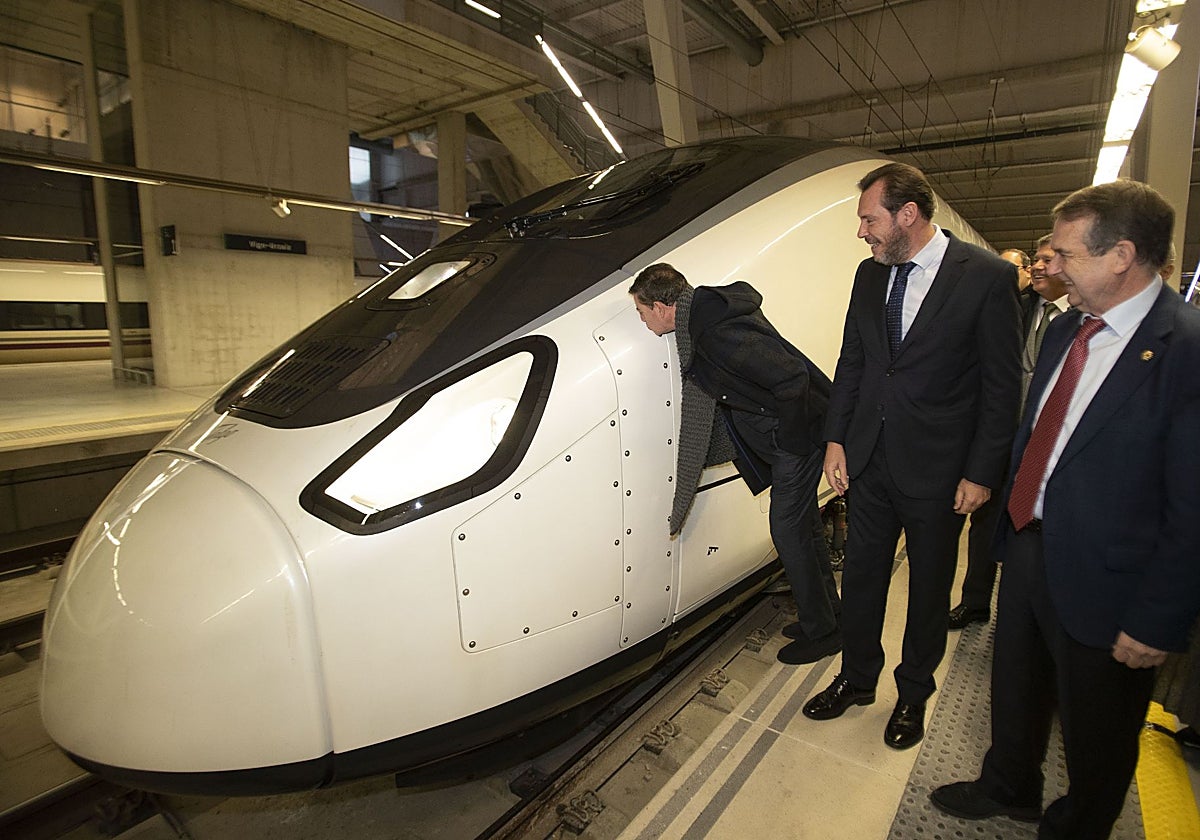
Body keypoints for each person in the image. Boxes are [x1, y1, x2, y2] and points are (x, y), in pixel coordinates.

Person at [930, 179, 1200, 839]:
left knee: (1098, 729)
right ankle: (1010, 784)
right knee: (1015, 687)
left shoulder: (1185, 350)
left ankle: (1078, 824)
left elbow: (1194, 505)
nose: (1050, 266)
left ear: (1120, 257)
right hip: (1028, 545)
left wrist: (1158, 618)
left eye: (1065, 254)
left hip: (1112, 581)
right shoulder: (1066, 330)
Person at [802, 162, 1022, 750]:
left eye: (869, 219)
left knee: (928, 589)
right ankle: (856, 677)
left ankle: (913, 693)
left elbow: (1002, 389)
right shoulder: (869, 276)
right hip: (870, 462)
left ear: (907, 215)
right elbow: (854, 361)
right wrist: (836, 438)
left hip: (941, 470)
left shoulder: (987, 277)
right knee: (865, 579)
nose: (861, 233)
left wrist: (982, 473)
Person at [628, 264, 843, 665]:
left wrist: (791, 446)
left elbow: (791, 377)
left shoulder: (716, 333)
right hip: (792, 441)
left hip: (795, 443)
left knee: (789, 533)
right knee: (805, 528)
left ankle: (823, 633)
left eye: (642, 314)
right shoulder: (710, 318)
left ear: (660, 307)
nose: (644, 324)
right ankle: (831, 616)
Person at [948, 234, 1070, 630]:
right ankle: (976, 601)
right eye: (1034, 259)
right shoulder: (1019, 306)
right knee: (984, 524)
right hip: (1006, 440)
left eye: (1046, 259)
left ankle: (1029, 615)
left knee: (1034, 532)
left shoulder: (1081, 321)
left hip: (1050, 450)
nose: (1037, 266)